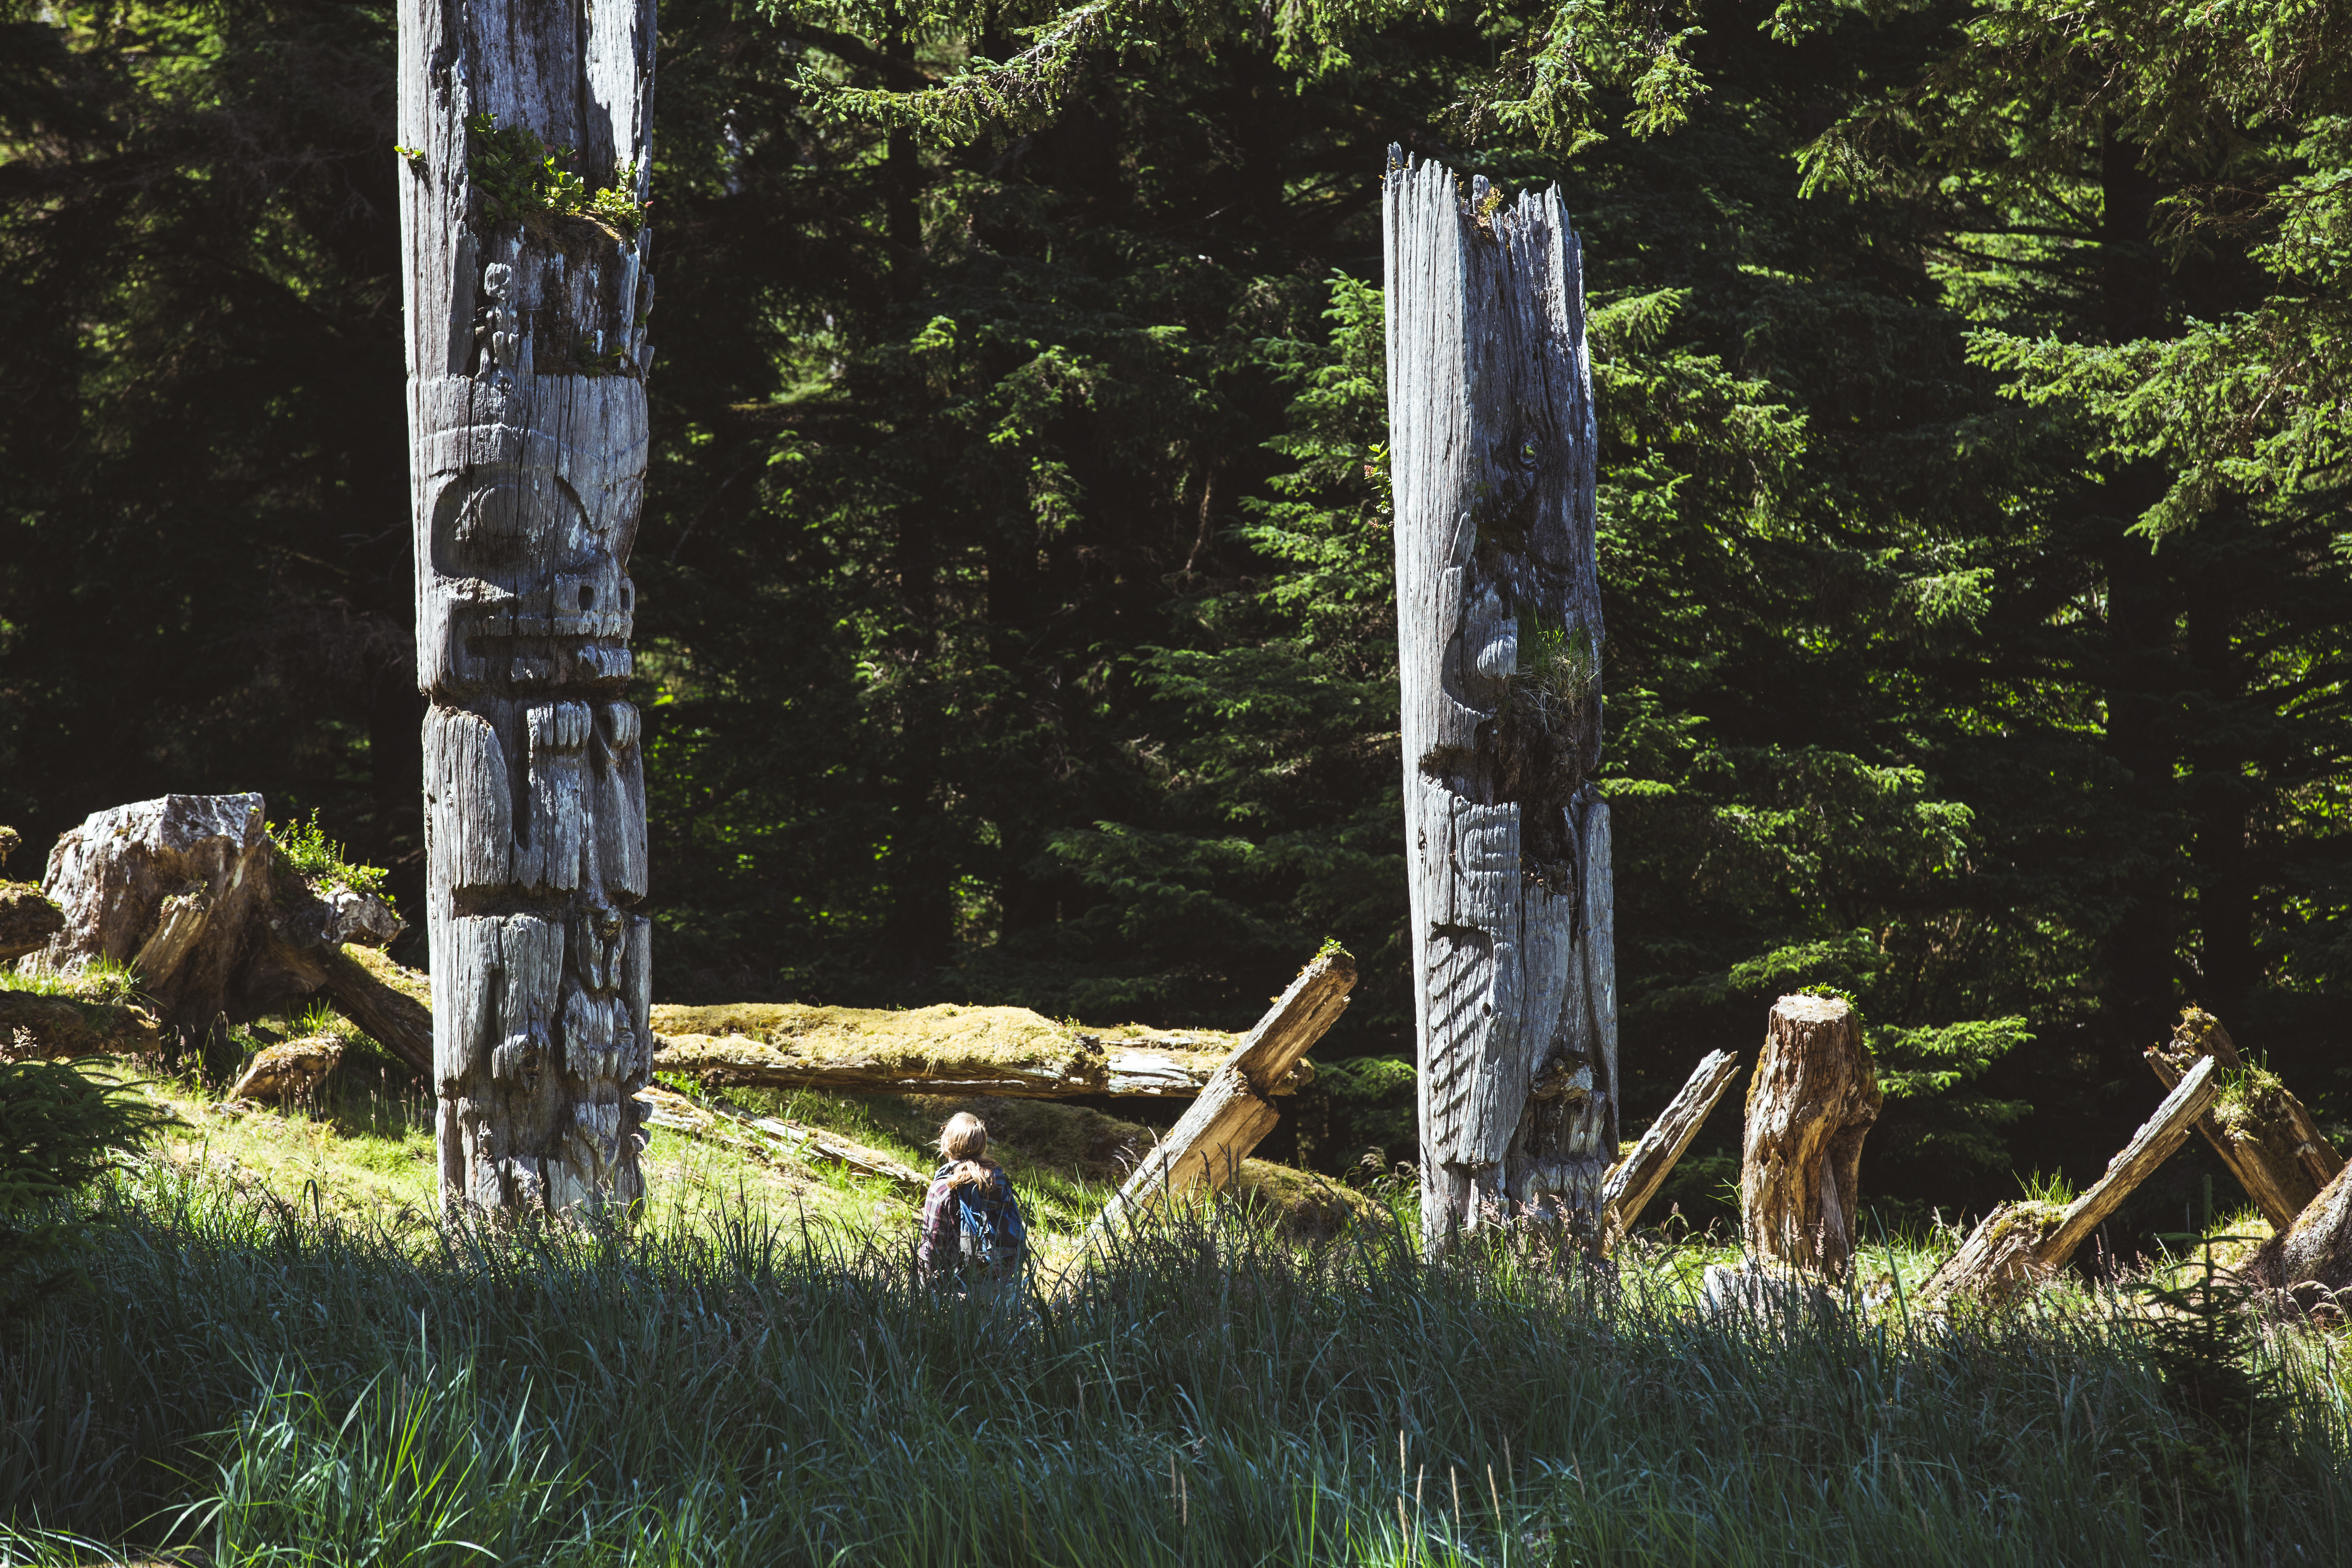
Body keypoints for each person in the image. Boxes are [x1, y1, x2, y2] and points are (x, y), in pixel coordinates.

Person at [918, 1112, 1029, 1281]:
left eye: (943, 1132)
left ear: (948, 1142)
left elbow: (932, 1246)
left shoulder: (942, 1188)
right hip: (1002, 1284)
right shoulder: (997, 1181)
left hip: (957, 1289)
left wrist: (924, 1292)